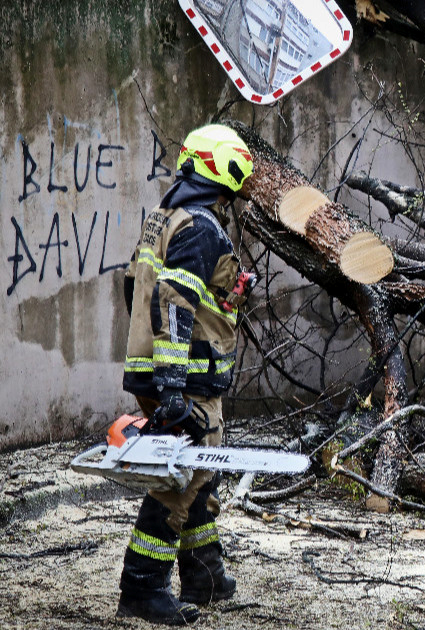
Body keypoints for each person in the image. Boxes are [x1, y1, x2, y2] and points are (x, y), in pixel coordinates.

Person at [117, 123, 254, 625]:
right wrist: (175, 385)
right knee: (181, 481)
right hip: (187, 379)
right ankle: (142, 588)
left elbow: (136, 290)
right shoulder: (201, 226)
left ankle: (204, 574)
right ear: (225, 168)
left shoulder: (164, 217)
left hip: (155, 371)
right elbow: (174, 303)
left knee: (201, 472)